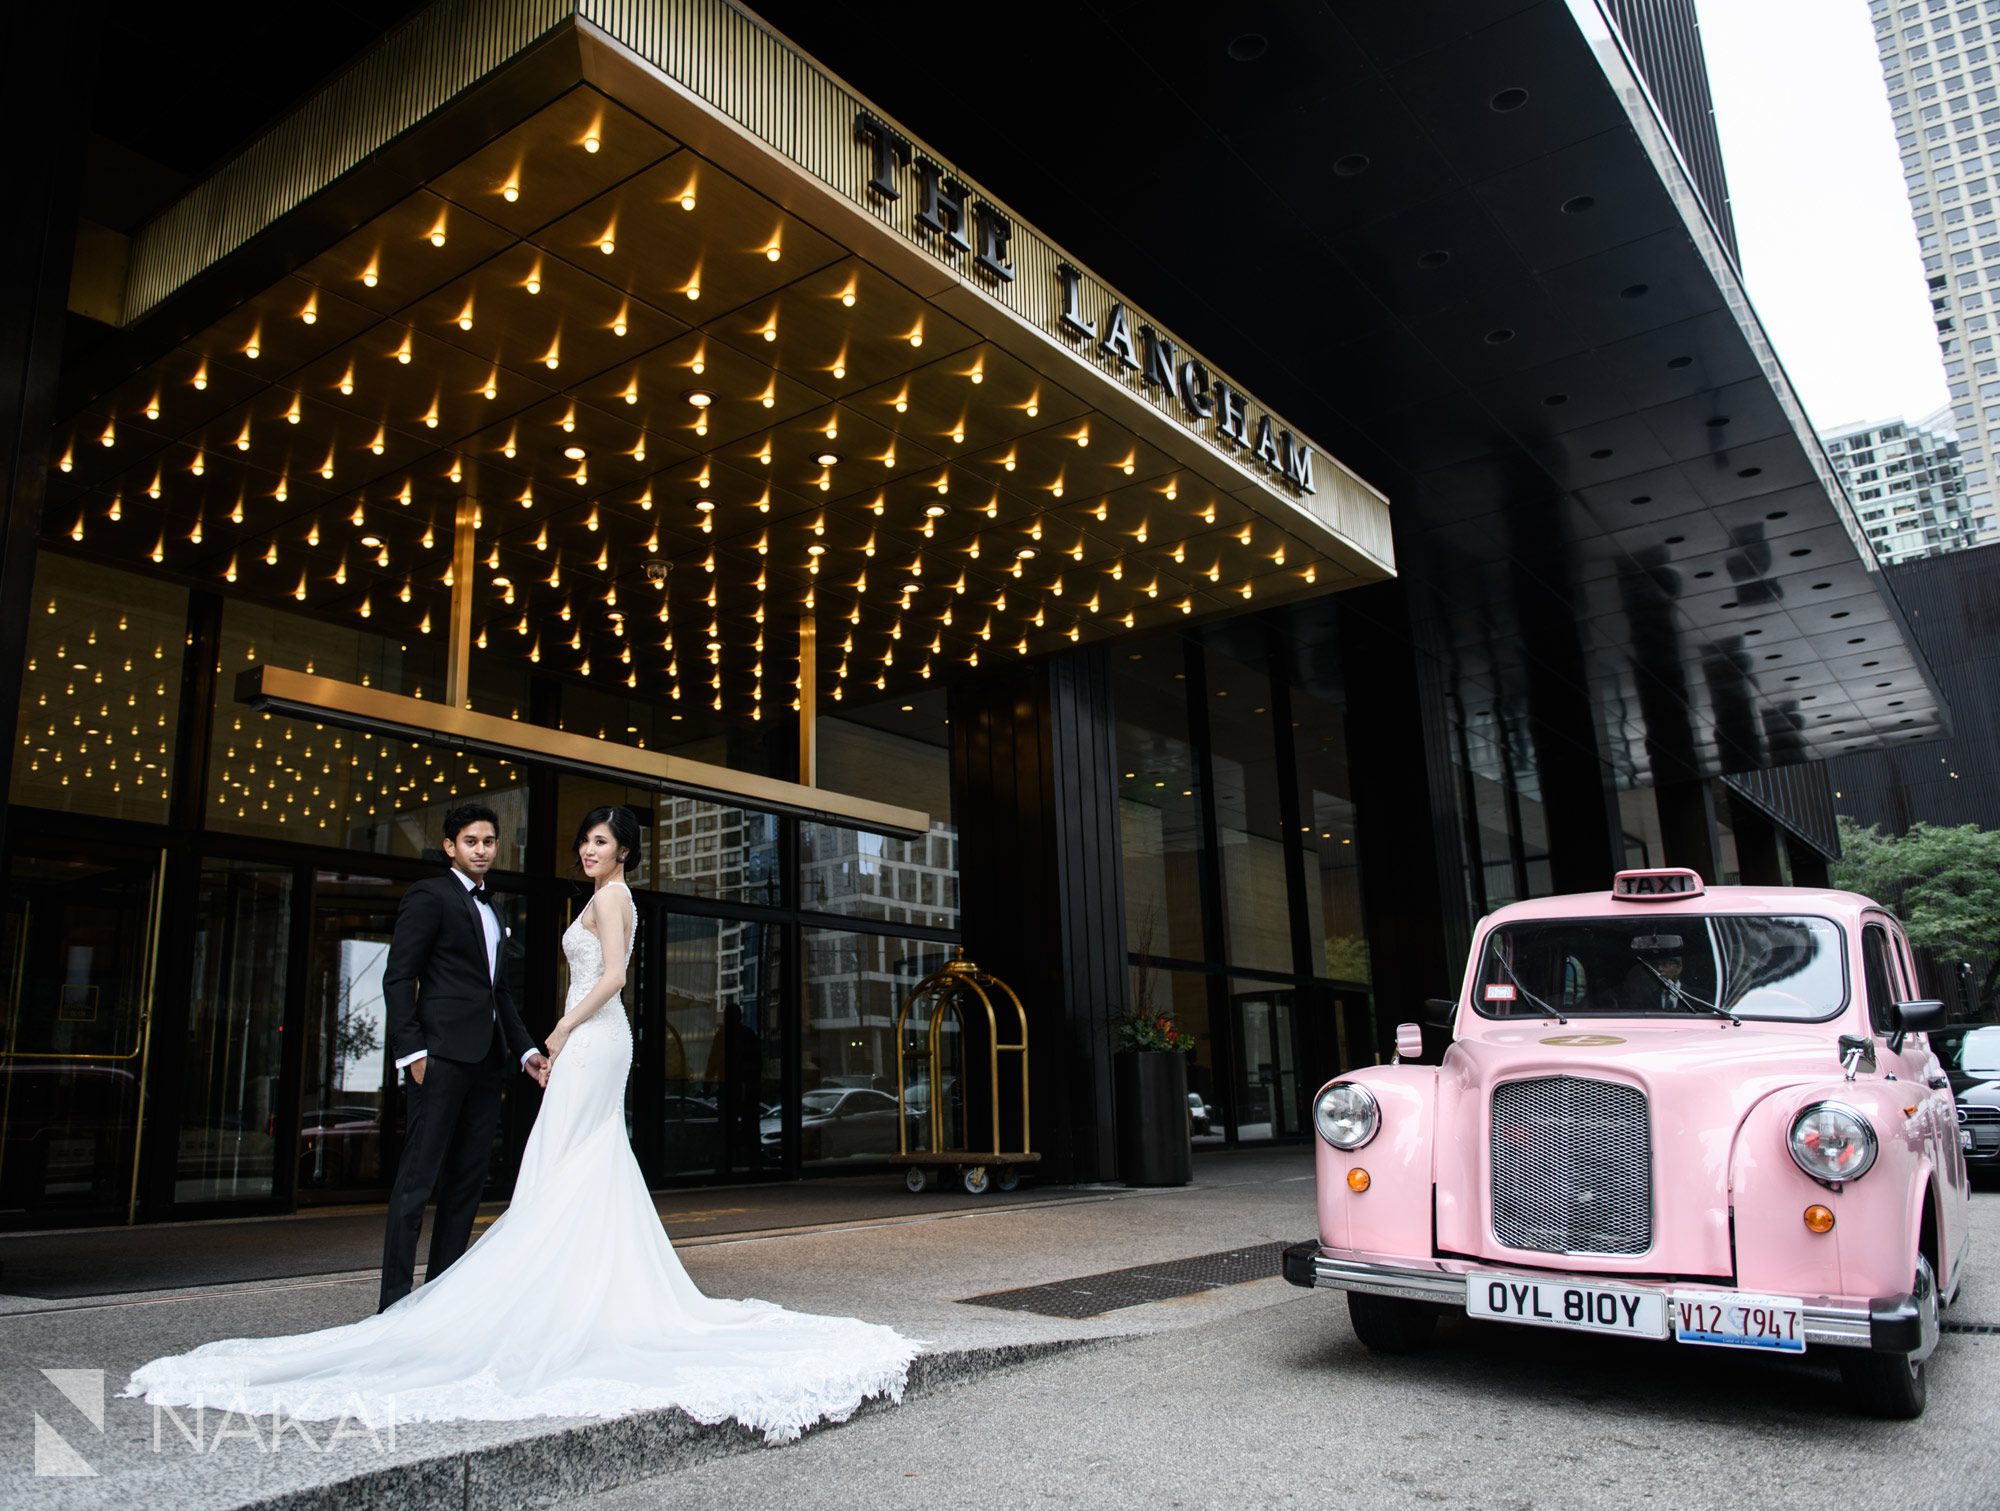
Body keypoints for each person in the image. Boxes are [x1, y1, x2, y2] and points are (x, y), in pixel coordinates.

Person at [122, 806, 919, 1442]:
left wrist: (558, 1033)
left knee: (556, 1165)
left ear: (625, 852)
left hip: (591, 1040)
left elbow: (609, 977)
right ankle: (420, 1297)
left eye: (600, 842)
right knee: (553, 1167)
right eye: (583, 842)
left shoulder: (611, 898)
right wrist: (436, 1050)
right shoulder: (456, 897)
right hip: (517, 1051)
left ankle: (522, 1299)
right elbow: (408, 976)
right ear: (451, 846)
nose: (587, 851)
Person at [378, 802, 549, 1313]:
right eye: (471, 841)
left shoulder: (494, 911)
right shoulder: (429, 895)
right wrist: (412, 1051)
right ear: (451, 846)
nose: (481, 850)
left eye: (489, 842)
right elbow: (397, 976)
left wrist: (526, 1052)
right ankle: (392, 1304)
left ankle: (439, 1301)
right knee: (417, 1182)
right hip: (440, 1058)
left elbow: (499, 993)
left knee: (467, 1184)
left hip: (487, 1063)